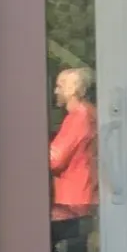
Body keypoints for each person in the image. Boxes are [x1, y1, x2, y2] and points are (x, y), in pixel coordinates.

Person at [49, 64, 98, 220]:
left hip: (72, 200)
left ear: (72, 90)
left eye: (59, 86)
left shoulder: (78, 118)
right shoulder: (91, 113)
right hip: (86, 194)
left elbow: (54, 159)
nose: (56, 91)